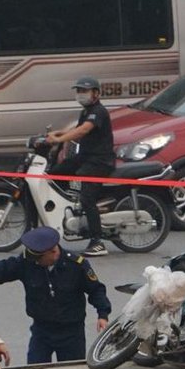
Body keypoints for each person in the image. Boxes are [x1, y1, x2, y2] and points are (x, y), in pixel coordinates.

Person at [0, 227, 110, 363]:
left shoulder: (76, 265)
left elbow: (96, 289)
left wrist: (102, 314)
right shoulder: (28, 262)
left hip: (71, 332)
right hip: (41, 330)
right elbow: (8, 267)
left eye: (39, 259)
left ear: (53, 252)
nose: (36, 262)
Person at [41, 78, 117, 257]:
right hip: (86, 157)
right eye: (79, 91)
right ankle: (71, 211)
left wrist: (59, 139)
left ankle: (97, 242)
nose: (80, 94)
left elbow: (83, 131)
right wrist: (57, 133)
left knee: (87, 197)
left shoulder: (98, 111)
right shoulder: (87, 111)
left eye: (85, 91)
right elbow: (78, 129)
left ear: (96, 93)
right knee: (54, 174)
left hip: (99, 162)